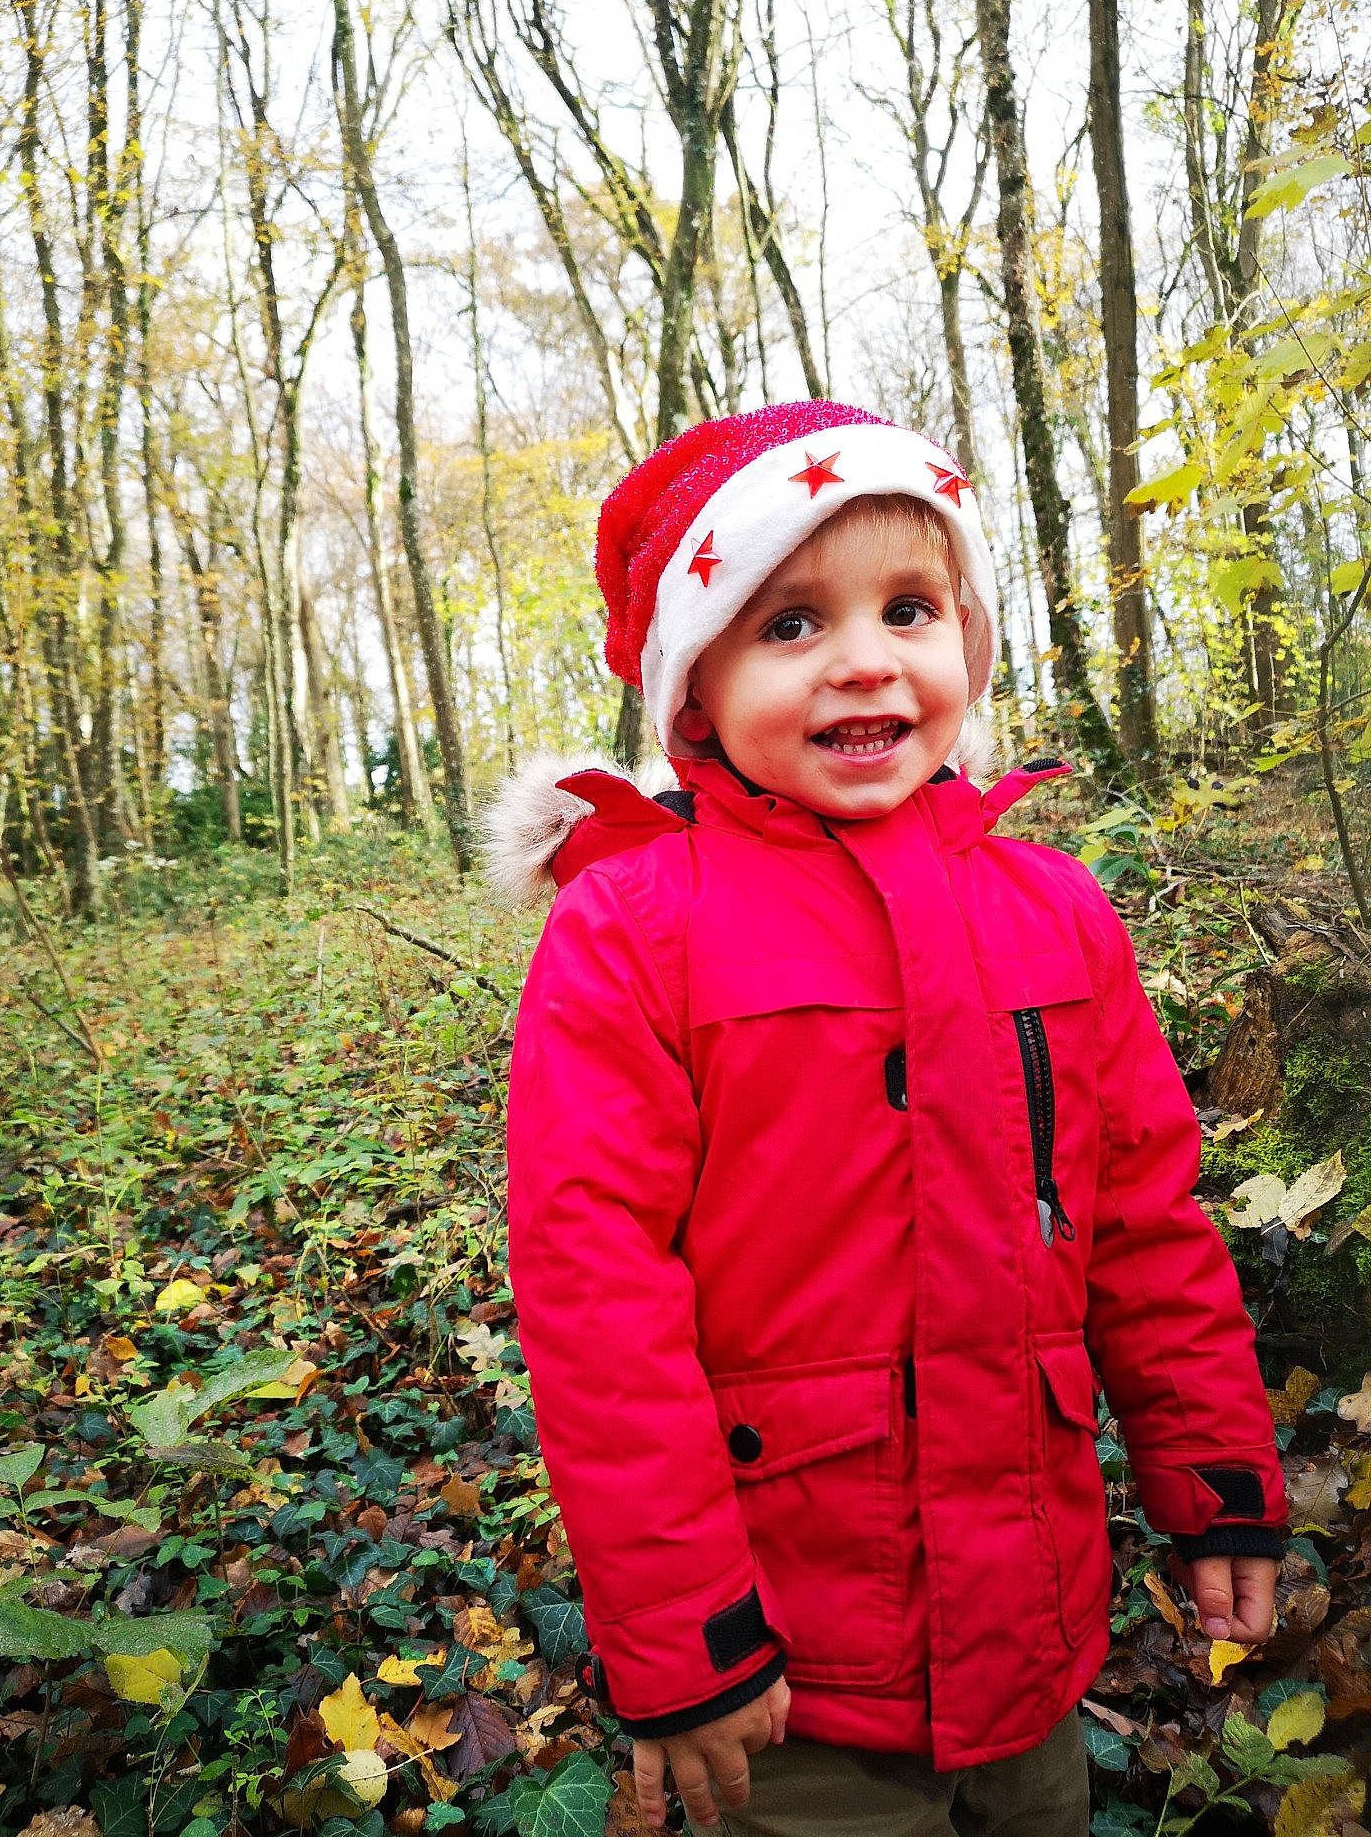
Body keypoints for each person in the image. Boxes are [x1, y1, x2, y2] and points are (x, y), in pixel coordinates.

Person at [489, 402, 1286, 1837]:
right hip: (790, 1675)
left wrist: (1213, 1481)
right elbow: (593, 1294)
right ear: (697, 690)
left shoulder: (1055, 912)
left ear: (965, 649)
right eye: (789, 625)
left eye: (909, 609)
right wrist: (689, 1641)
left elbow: (1148, 1222)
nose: (865, 657)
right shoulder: (633, 932)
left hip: (1031, 1633)